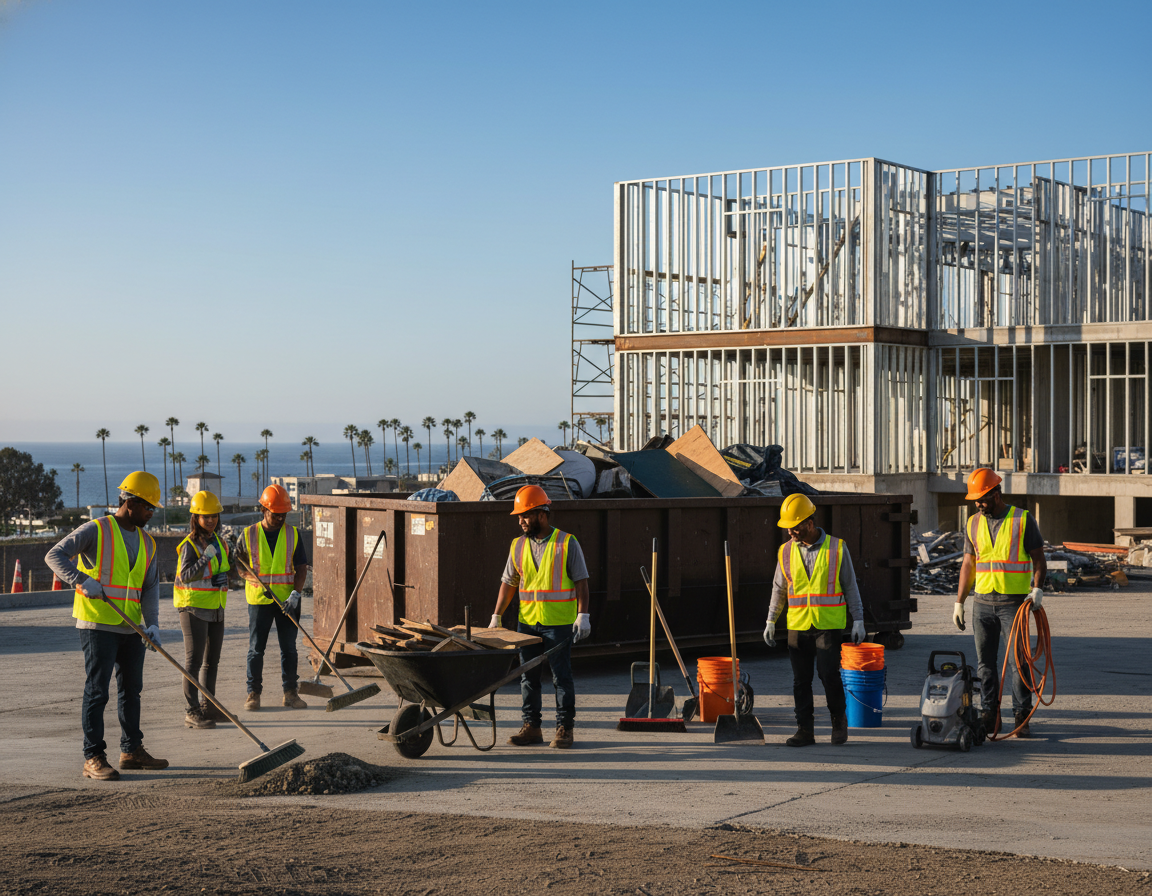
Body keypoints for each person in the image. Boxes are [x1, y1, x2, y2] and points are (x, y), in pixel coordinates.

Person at [45, 471, 170, 781]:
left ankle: (131, 751)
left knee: (132, 691)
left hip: (132, 627)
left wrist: (152, 625)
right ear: (129, 502)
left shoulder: (148, 543)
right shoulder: (97, 530)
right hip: (97, 624)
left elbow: (150, 587)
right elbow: (54, 555)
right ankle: (93, 757)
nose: (151, 513)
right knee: (97, 691)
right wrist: (82, 580)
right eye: (148, 507)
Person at [490, 485, 590, 749]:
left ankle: (564, 728)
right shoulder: (518, 545)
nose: (520, 521)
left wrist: (583, 615)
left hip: (558, 623)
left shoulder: (567, 543)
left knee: (561, 677)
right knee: (528, 677)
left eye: (525, 515)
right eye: (519, 517)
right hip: (527, 623)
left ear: (542, 514)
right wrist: (496, 615)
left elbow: (581, 582)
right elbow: (508, 583)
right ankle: (532, 727)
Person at [763, 493, 866, 747]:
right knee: (801, 680)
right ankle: (805, 730)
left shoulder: (836, 547)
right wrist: (771, 620)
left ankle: (838, 723)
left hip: (827, 624)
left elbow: (850, 586)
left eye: (795, 526)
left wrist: (859, 620)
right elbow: (780, 588)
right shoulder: (785, 551)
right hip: (798, 625)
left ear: (810, 522)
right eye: (788, 527)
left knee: (828, 674)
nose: (791, 532)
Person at [953, 468, 1046, 737]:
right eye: (975, 500)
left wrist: (1037, 589)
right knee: (985, 664)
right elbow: (968, 564)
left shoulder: (1022, 519)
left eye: (982, 499)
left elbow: (1038, 557)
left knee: (1019, 661)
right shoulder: (972, 523)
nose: (979, 504)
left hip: (1013, 603)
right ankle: (989, 714)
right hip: (982, 602)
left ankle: (1021, 714)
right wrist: (959, 601)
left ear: (996, 493)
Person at [234, 484, 309, 711]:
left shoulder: (292, 533)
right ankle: (253, 694)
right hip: (260, 600)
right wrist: (255, 580)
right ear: (263, 510)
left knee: (290, 649)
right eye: (276, 515)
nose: (280, 519)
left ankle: (290, 693)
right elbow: (239, 566)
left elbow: (301, 567)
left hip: (288, 601)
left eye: (284, 515)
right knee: (256, 649)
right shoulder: (248, 534)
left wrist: (296, 594)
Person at [173, 490, 232, 729]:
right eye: (205, 516)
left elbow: (221, 570)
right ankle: (192, 710)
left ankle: (210, 707)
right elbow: (186, 576)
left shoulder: (219, 541)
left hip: (216, 607)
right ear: (195, 518)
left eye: (214, 516)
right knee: (193, 662)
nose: (210, 520)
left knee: (212, 662)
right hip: (193, 608)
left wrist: (221, 578)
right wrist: (205, 559)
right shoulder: (190, 545)